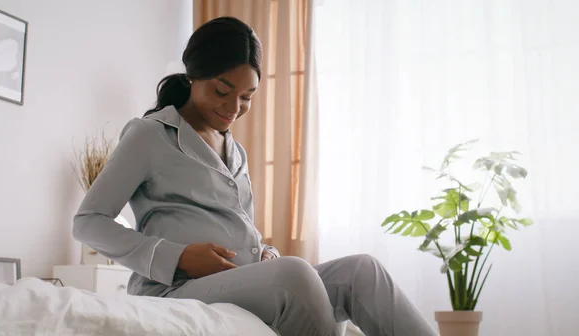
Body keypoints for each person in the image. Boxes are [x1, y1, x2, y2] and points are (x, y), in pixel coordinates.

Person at [73, 16, 437, 336]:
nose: (234, 108)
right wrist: (178, 256)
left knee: (362, 271)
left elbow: (239, 225)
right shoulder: (150, 135)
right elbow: (88, 222)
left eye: (247, 97)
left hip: (241, 279)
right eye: (222, 91)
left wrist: (265, 252)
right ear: (193, 75)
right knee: (296, 276)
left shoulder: (235, 151)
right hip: (175, 287)